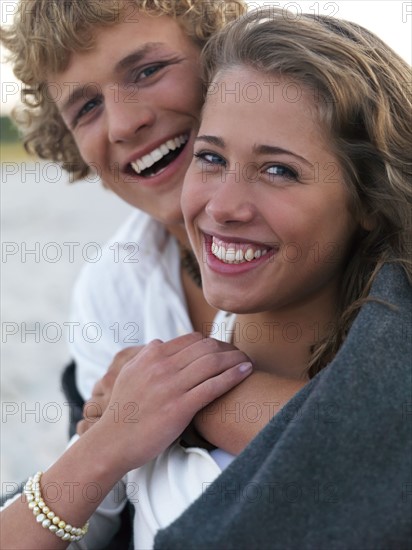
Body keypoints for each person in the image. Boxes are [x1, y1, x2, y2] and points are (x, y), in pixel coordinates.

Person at [1, 5, 411, 549]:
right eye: (87, 106)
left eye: (146, 71)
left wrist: (192, 405)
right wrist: (114, 438)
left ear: (213, 56)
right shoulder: (111, 293)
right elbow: (99, 498)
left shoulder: (387, 285)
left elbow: (381, 449)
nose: (125, 122)